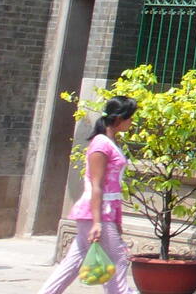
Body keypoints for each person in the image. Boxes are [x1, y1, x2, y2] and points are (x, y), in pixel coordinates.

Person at [35, 97, 137, 294]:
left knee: (75, 260)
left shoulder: (110, 142)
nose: (131, 123)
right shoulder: (101, 145)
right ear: (118, 119)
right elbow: (96, 184)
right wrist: (98, 222)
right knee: (118, 259)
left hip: (105, 211)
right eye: (129, 118)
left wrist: (116, 220)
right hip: (97, 211)